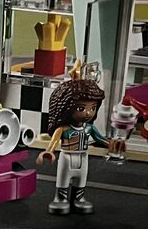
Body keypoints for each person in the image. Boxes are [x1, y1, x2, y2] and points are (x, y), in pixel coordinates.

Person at [36, 66, 124, 215]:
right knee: (63, 179)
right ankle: (61, 198)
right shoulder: (63, 129)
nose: (88, 113)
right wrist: (48, 152)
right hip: (67, 156)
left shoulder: (89, 128)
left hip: (83, 156)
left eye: (93, 108)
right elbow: (53, 143)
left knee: (81, 179)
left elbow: (100, 139)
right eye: (81, 108)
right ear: (66, 108)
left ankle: (79, 198)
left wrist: (114, 144)